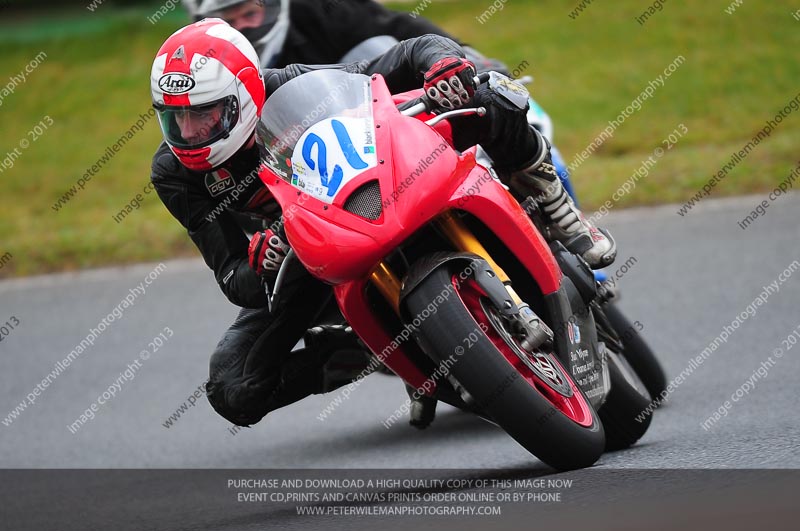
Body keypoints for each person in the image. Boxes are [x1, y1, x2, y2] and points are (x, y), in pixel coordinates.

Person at [150, 19, 615, 430]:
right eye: (176, 119)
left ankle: (552, 201)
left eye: (205, 114)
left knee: (491, 90)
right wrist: (263, 263)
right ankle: (363, 352)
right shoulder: (174, 173)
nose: (190, 134)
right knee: (233, 387)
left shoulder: (290, 84)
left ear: (243, 95)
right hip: (308, 255)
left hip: (381, 187)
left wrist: (443, 64)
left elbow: (408, 54)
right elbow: (234, 277)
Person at [182, 0, 460, 68]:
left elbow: (394, 27)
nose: (242, 27)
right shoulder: (205, 62)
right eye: (228, 21)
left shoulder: (321, 10)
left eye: (250, 13)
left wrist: (458, 54)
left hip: (375, 125)